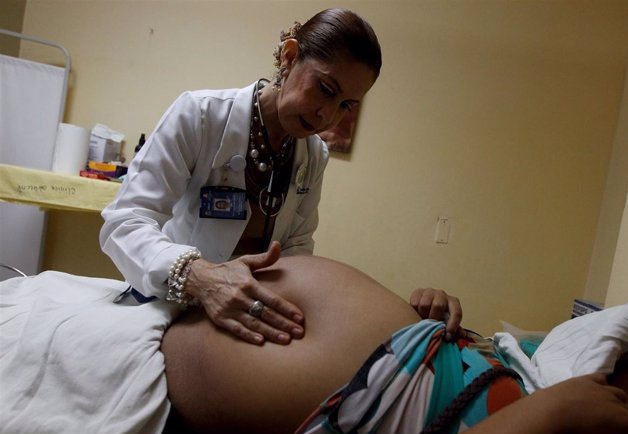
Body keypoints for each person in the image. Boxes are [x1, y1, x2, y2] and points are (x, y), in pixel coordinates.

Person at [99, 8, 462, 346]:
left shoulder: (312, 155)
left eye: (346, 105)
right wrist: (201, 279)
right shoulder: (201, 116)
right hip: (171, 307)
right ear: (289, 58)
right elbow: (124, 223)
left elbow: (297, 253)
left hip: (248, 318)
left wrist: (408, 315)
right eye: (326, 89)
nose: (327, 116)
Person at [157, 255, 628, 434]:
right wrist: (437, 319)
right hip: (199, 309)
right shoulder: (547, 362)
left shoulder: (563, 431)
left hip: (171, 371)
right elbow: (487, 367)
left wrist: (559, 411)